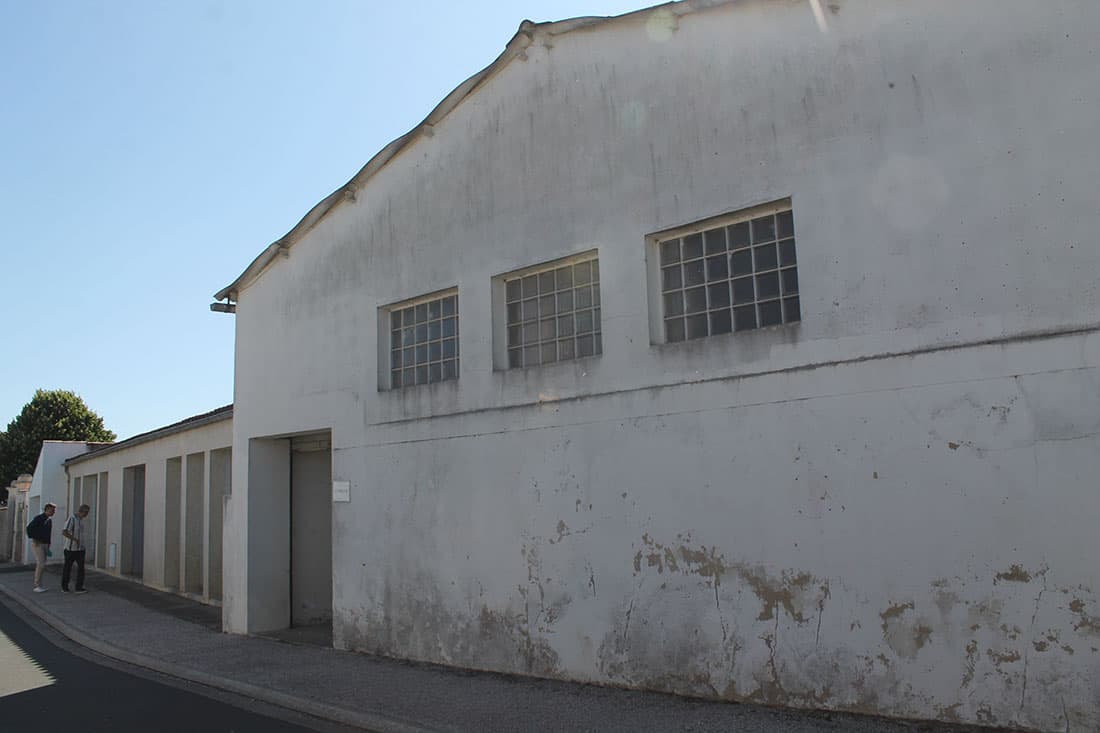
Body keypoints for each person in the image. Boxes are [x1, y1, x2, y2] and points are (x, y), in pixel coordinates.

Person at [26, 502, 56, 592]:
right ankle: (37, 585)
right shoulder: (39, 518)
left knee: (43, 564)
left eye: (54, 511)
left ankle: (39, 584)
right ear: (47, 510)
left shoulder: (49, 520)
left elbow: (48, 533)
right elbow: (29, 528)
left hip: (45, 544)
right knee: (41, 564)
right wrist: (35, 539)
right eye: (52, 510)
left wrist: (49, 544)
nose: (53, 512)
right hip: (38, 543)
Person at [61, 504, 90, 594]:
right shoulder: (72, 518)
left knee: (81, 568)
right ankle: (65, 587)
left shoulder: (80, 520)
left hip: (80, 549)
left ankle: (79, 587)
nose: (86, 515)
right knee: (68, 568)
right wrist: (74, 539)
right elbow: (64, 532)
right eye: (86, 513)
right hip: (70, 549)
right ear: (82, 511)